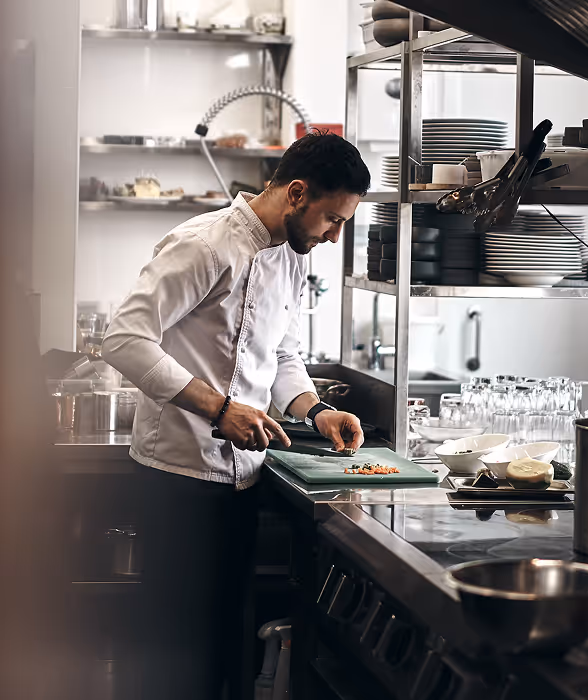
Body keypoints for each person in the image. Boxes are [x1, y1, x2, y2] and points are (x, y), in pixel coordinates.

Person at [101, 130, 371, 699]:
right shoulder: (203, 244)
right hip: (175, 478)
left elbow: (281, 353)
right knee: (171, 654)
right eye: (333, 219)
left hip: (243, 482)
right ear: (296, 194)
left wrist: (315, 410)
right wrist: (218, 409)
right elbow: (123, 339)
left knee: (225, 652)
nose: (334, 236)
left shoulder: (292, 257)